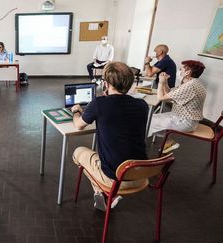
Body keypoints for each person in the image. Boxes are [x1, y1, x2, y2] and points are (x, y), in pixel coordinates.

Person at [71, 62, 149, 211]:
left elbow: (78, 125)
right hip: (141, 173)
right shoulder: (142, 105)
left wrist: (76, 111)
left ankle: (103, 191)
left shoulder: (99, 104)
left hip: (118, 178)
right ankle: (106, 195)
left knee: (78, 153)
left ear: (105, 83)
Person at [148, 60, 206, 153]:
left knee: (149, 121)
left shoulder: (189, 86)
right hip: (182, 117)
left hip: (186, 122)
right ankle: (168, 142)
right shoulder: (193, 83)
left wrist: (161, 82)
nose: (179, 72)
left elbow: (161, 97)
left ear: (188, 72)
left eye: (181, 69)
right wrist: (166, 81)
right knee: (151, 118)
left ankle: (167, 142)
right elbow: (170, 93)